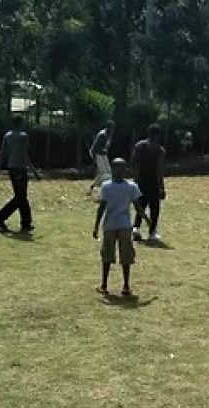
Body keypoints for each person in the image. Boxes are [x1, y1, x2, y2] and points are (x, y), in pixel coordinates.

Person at [93, 158, 150, 295]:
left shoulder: (106, 186)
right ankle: (125, 285)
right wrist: (147, 219)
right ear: (126, 170)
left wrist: (96, 226)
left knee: (107, 255)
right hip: (125, 225)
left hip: (110, 225)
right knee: (126, 257)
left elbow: (102, 207)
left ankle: (104, 285)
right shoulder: (131, 187)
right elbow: (137, 206)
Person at [0, 115, 41, 233]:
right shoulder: (23, 136)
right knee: (20, 197)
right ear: (20, 123)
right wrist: (34, 171)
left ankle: (26, 223)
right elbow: (25, 155)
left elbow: (2, 154)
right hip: (20, 169)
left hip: (11, 168)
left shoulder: (7, 136)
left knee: (21, 196)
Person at [131, 123, 166, 242]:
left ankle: (136, 228)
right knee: (154, 208)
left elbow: (135, 165)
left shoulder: (139, 146)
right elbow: (158, 170)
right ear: (158, 135)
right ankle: (152, 232)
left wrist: (135, 181)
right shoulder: (159, 150)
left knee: (140, 205)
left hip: (140, 181)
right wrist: (161, 187)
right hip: (153, 183)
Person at [87, 120, 114, 196]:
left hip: (103, 154)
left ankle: (91, 187)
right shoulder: (102, 135)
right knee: (104, 174)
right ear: (108, 127)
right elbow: (95, 148)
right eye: (111, 128)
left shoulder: (109, 134)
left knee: (107, 172)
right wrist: (95, 160)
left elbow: (105, 148)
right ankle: (103, 194)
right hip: (97, 154)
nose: (112, 129)